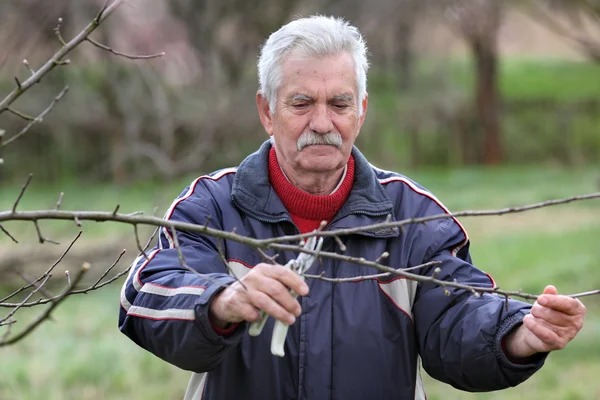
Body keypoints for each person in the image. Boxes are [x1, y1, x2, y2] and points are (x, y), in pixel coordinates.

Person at [118, 15, 586, 400]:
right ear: (266, 111)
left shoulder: (413, 217)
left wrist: (519, 336)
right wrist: (222, 302)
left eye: (339, 103)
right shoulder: (211, 207)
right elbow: (146, 297)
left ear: (361, 110)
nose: (322, 122)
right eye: (301, 103)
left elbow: (458, 318)